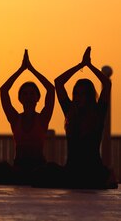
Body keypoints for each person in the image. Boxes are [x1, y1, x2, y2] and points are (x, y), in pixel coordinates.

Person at [33, 47, 117, 189]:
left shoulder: (97, 112)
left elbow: (107, 84)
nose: (78, 97)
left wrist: (89, 66)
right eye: (76, 94)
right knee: (40, 174)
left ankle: (105, 177)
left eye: (82, 94)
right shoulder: (70, 112)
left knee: (84, 181)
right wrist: (80, 66)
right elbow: (58, 82)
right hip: (72, 170)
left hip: (92, 170)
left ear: (89, 96)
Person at [0, 50, 54, 185]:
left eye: (31, 94)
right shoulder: (15, 119)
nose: (28, 97)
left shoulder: (42, 119)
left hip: (38, 168)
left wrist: (32, 69)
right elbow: (4, 90)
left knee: (51, 171)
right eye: (25, 94)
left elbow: (50, 89)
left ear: (37, 98)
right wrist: (21, 70)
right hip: (19, 168)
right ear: (19, 98)